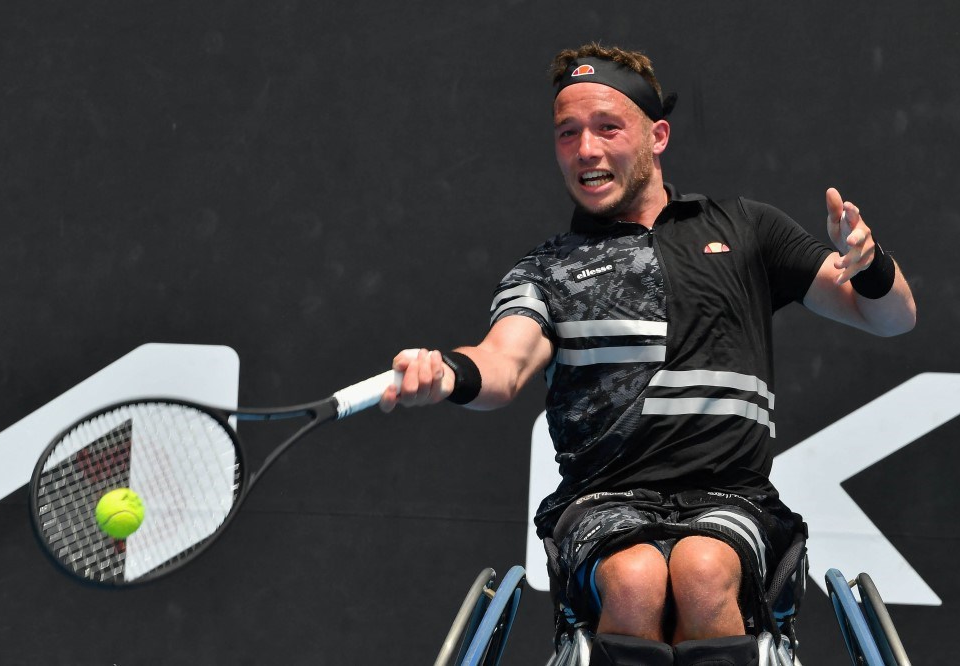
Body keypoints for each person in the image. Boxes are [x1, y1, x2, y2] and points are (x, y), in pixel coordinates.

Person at [380, 43, 916, 665]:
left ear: (657, 135)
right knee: (634, 579)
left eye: (608, 128)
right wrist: (449, 372)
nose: (586, 150)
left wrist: (871, 266)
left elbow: (891, 316)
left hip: (733, 500)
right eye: (568, 133)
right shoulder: (545, 272)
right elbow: (503, 363)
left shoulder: (744, 230)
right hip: (600, 506)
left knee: (703, 567)